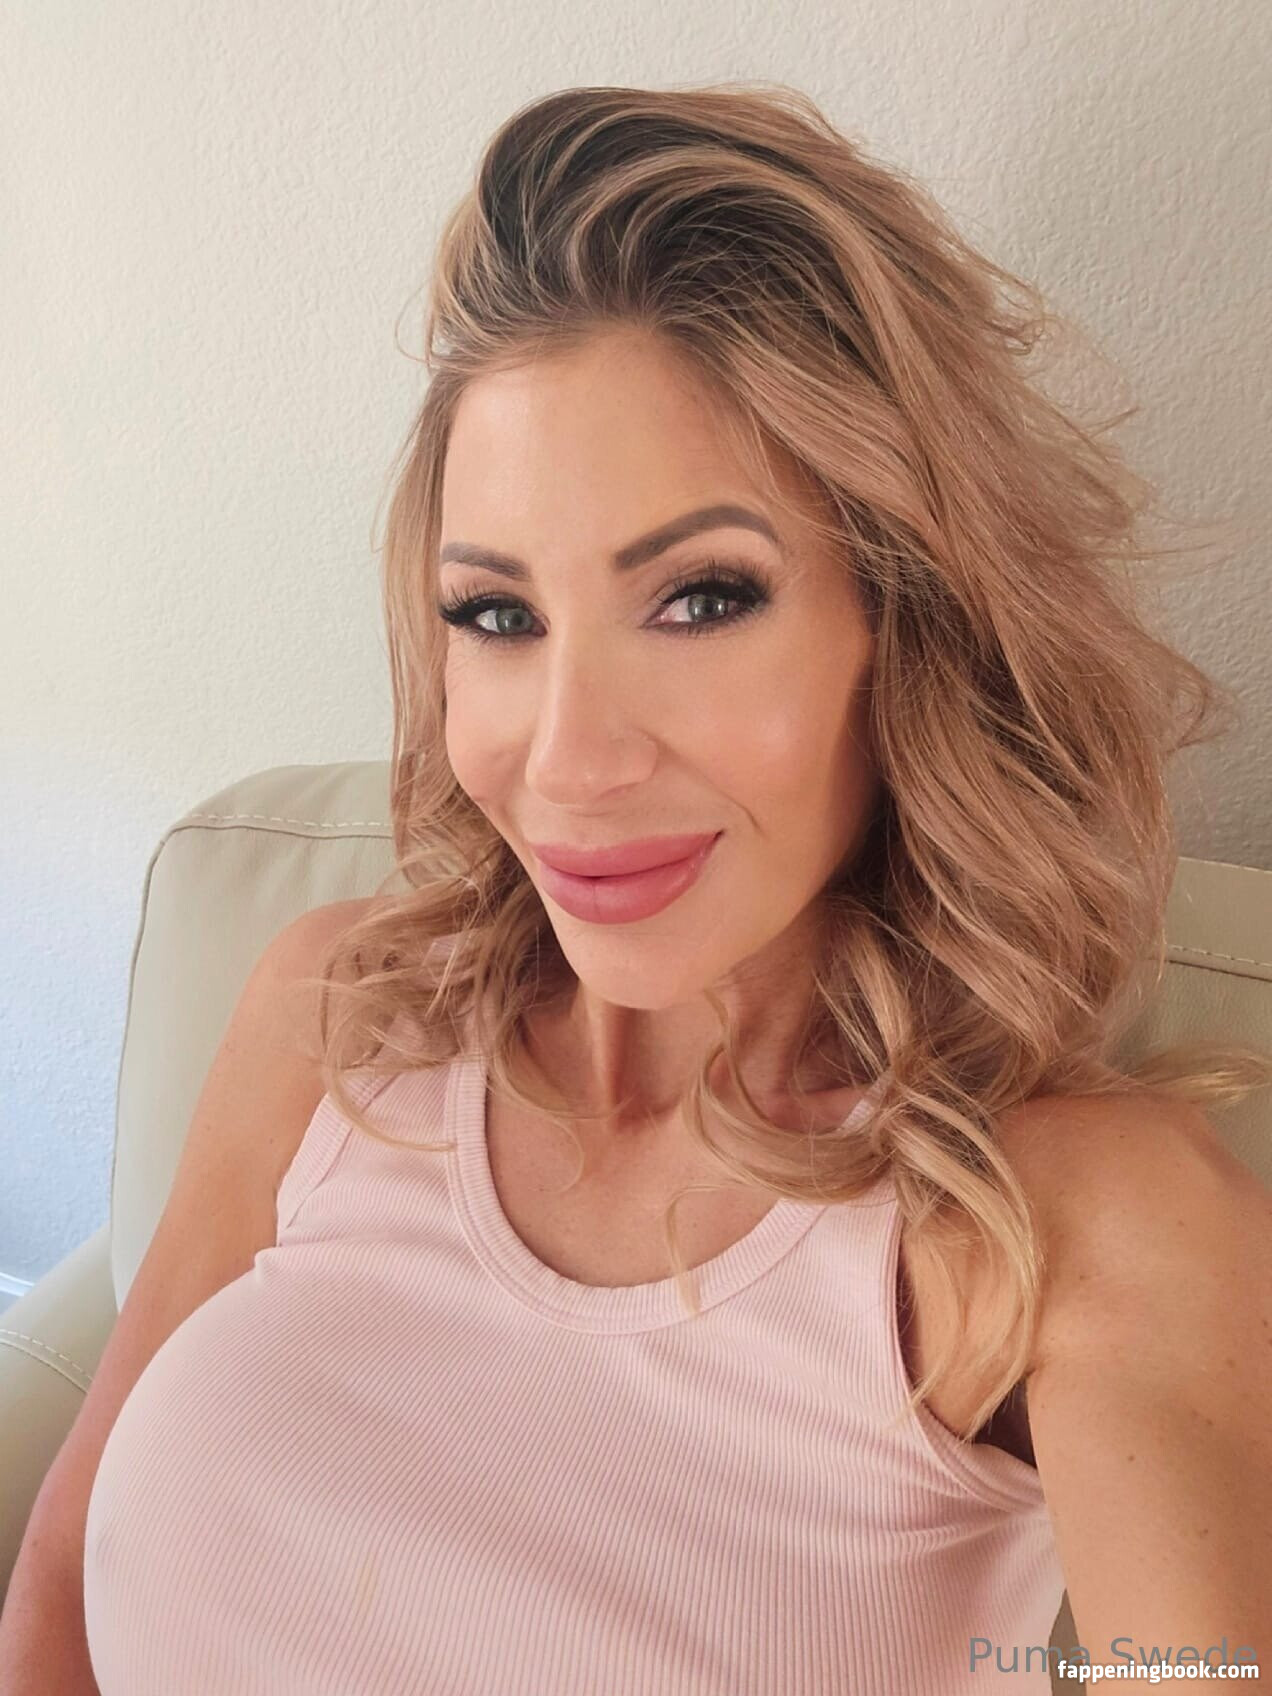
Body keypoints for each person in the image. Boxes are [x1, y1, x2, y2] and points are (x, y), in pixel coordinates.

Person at [28, 82, 1272, 1696]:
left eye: (700, 599)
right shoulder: (337, 1012)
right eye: (498, 616)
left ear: (908, 622)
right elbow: (59, 1578)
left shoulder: (1066, 1219)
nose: (568, 760)